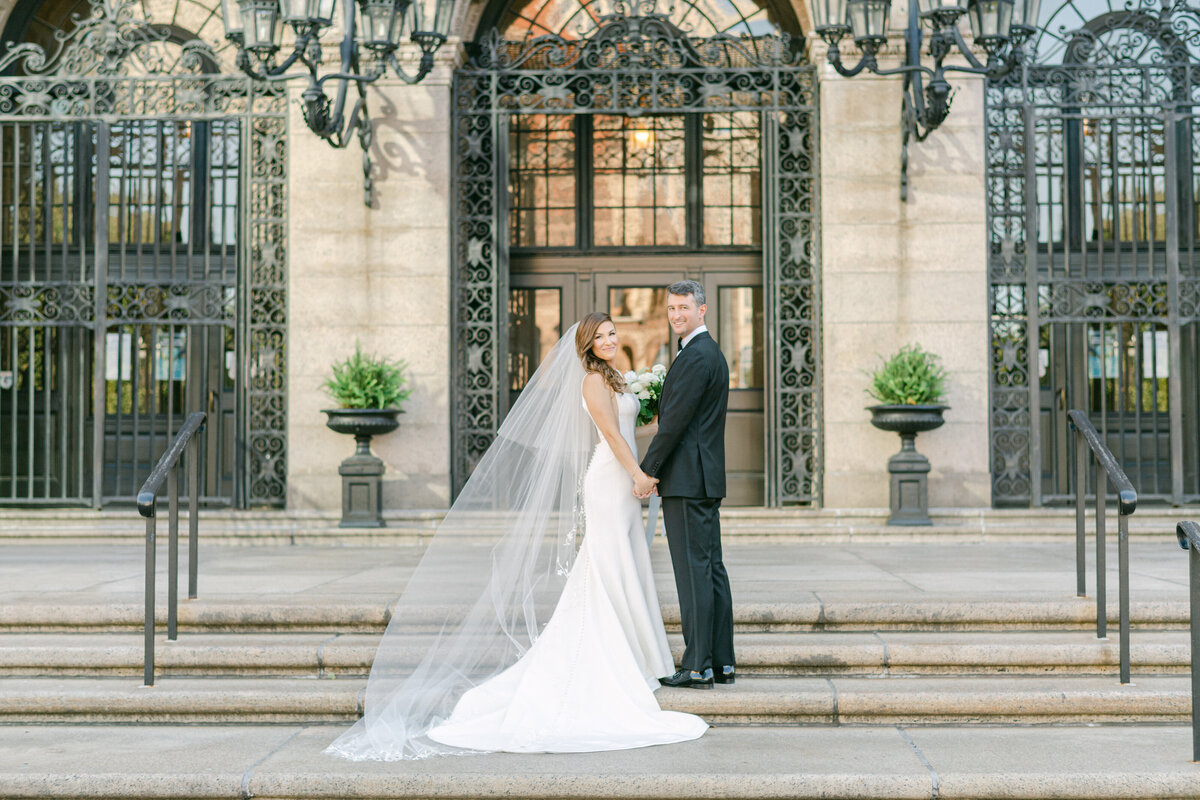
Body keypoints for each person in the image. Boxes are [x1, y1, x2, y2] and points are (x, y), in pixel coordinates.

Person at [325, 312, 706, 760]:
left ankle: (640, 655)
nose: (609, 340)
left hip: (624, 480)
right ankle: (615, 658)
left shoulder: (618, 377)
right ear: (586, 343)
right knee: (606, 565)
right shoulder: (591, 381)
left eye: (612, 333)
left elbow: (629, 428)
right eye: (600, 336)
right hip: (610, 480)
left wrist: (662, 416)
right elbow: (609, 435)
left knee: (627, 562)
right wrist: (639, 475)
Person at [634, 280, 734, 690]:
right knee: (710, 571)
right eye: (672, 308)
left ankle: (696, 666)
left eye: (684, 308)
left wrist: (648, 470)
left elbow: (673, 425)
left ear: (702, 310)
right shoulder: (707, 352)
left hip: (689, 480)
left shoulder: (696, 356)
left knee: (694, 574)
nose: (676, 315)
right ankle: (720, 662)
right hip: (702, 478)